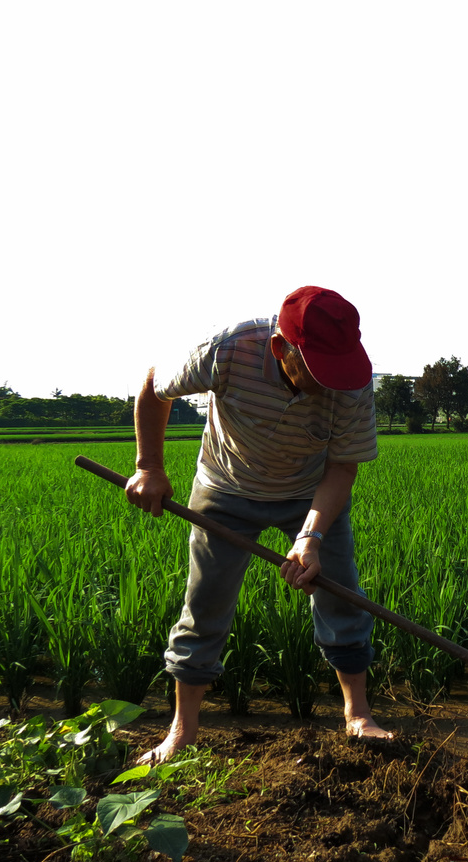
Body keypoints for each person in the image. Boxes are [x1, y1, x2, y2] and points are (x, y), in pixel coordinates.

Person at [126, 285, 393, 765]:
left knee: (340, 594)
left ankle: (358, 715)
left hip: (309, 492)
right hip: (226, 488)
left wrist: (311, 536)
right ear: (280, 349)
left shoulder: (353, 379)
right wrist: (149, 467)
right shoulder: (227, 349)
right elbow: (153, 384)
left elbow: (342, 466)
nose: (331, 385)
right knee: (205, 603)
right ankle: (183, 731)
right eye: (319, 371)